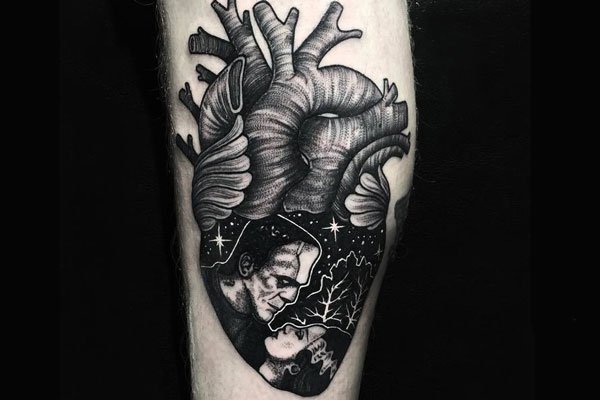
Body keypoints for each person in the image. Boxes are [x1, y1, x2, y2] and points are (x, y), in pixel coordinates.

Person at [201, 215, 320, 369]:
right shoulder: (199, 287)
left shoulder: (263, 343)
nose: (291, 297)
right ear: (246, 266)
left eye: (298, 286)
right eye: (283, 281)